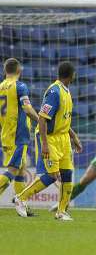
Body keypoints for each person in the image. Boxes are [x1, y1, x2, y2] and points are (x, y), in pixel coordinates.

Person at [14, 61, 82, 221]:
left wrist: (74, 137)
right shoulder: (54, 92)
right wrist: (44, 144)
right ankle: (21, 198)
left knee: (67, 174)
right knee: (51, 176)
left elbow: (64, 119)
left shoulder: (67, 92)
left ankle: (61, 211)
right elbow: (43, 120)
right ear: (71, 75)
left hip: (63, 138)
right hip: (49, 138)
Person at [0, 58, 39, 215]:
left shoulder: (1, 86)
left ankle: (22, 206)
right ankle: (22, 204)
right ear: (19, 71)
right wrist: (42, 121)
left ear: (5, 71)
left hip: (6, 134)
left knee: (21, 171)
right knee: (12, 171)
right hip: (18, 135)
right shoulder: (20, 86)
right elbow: (28, 109)